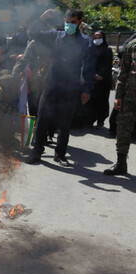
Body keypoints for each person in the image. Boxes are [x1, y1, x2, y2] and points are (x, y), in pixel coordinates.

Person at [26, 9, 95, 167]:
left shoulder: (86, 42)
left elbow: (89, 68)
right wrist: (42, 18)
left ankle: (60, 154)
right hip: (51, 84)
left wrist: (87, 90)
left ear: (80, 22)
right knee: (42, 118)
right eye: (67, 21)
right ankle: (37, 151)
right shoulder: (55, 35)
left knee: (65, 123)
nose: (69, 25)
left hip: (70, 88)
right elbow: (34, 34)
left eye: (73, 22)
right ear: (64, 20)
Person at [104, 38, 136, 175]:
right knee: (123, 129)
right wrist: (118, 96)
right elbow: (123, 72)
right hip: (129, 97)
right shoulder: (132, 45)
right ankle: (121, 164)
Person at [88, 31, 113, 128]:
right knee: (91, 100)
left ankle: (100, 120)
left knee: (102, 101)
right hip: (91, 77)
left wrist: (101, 75)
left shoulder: (107, 50)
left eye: (99, 37)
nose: (97, 39)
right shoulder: (90, 49)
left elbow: (107, 65)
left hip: (103, 80)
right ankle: (89, 119)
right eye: (95, 37)